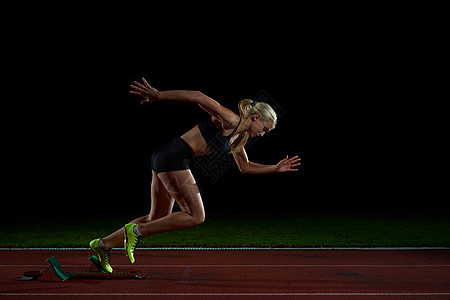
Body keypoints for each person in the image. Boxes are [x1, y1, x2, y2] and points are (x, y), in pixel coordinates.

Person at [89, 78, 301, 273]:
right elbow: (198, 96)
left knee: (158, 218)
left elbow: (245, 167)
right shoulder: (231, 119)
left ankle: (102, 245)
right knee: (196, 215)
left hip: (165, 157)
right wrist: (158, 94)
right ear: (256, 117)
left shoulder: (238, 138)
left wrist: (275, 168)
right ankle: (137, 232)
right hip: (174, 157)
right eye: (264, 128)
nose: (263, 134)